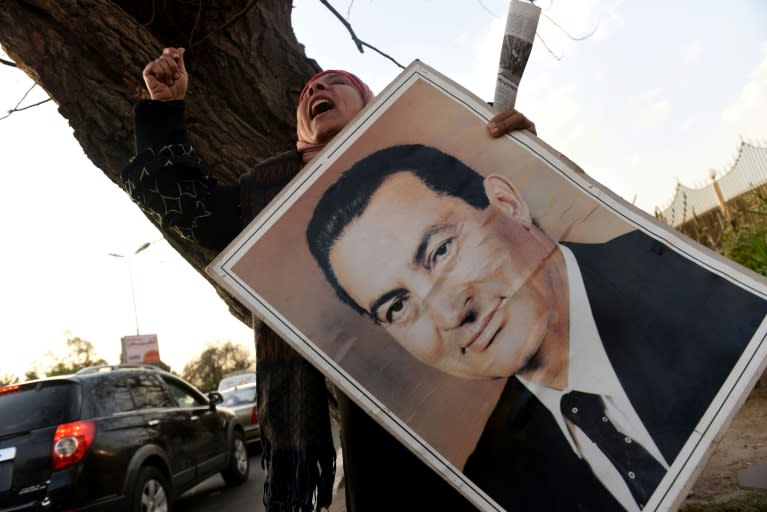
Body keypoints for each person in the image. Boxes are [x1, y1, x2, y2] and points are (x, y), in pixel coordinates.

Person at [122, 48, 537, 512]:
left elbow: (532, 221)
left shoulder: (435, 156)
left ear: (370, 102)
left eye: (334, 81)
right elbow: (183, 205)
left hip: (496, 402)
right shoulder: (270, 197)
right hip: (376, 424)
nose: (316, 88)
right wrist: (163, 108)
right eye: (305, 94)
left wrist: (520, 152)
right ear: (299, 133)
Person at [305, 143, 767, 511]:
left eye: (441, 251)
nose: (448, 314)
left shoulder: (702, 292)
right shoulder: (493, 479)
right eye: (398, 306)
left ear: (507, 204)